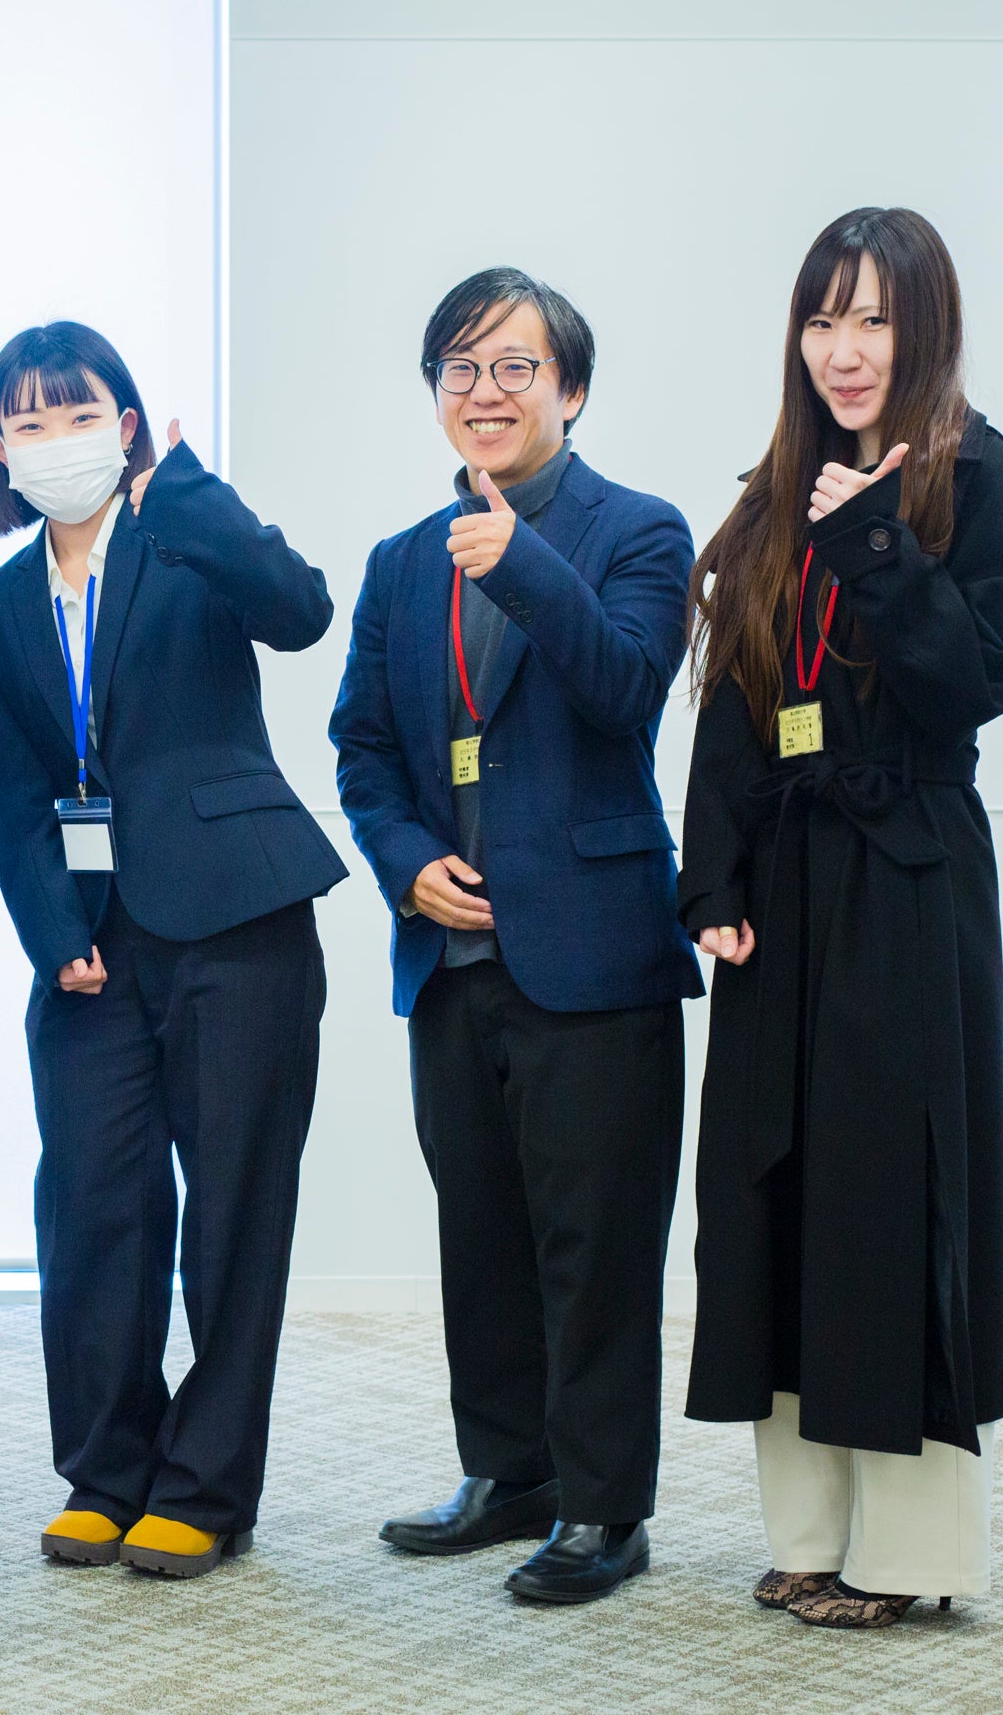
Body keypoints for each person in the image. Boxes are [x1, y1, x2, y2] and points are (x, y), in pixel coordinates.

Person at [677, 207, 1003, 1630]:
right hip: (784, 886)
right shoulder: (777, 487)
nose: (843, 350)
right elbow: (733, 699)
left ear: (924, 328)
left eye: (873, 319)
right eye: (821, 318)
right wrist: (712, 879)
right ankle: (806, 1532)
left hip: (906, 876)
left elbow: (974, 682)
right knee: (772, 1195)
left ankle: (905, 1552)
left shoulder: (974, 475)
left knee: (890, 1201)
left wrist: (877, 539)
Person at [330, 267, 702, 1605]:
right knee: (478, 1234)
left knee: (593, 1246)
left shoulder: (640, 530)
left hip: (592, 955)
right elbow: (362, 748)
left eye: (512, 367)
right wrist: (403, 864)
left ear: (571, 389)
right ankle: (509, 1471)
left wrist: (522, 562)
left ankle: (604, 1506)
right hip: (451, 957)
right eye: (459, 369)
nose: (482, 391)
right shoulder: (398, 562)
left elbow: (627, 688)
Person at [0, 322, 345, 1580]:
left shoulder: (185, 539)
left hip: (238, 916)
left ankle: (205, 1486)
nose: (55, 439)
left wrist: (185, 491)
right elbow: (16, 791)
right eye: (29, 421)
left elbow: (300, 610)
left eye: (79, 414)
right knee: (92, 1209)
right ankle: (106, 1470)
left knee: (234, 1209)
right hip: (89, 945)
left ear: (125, 427)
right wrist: (50, 930)